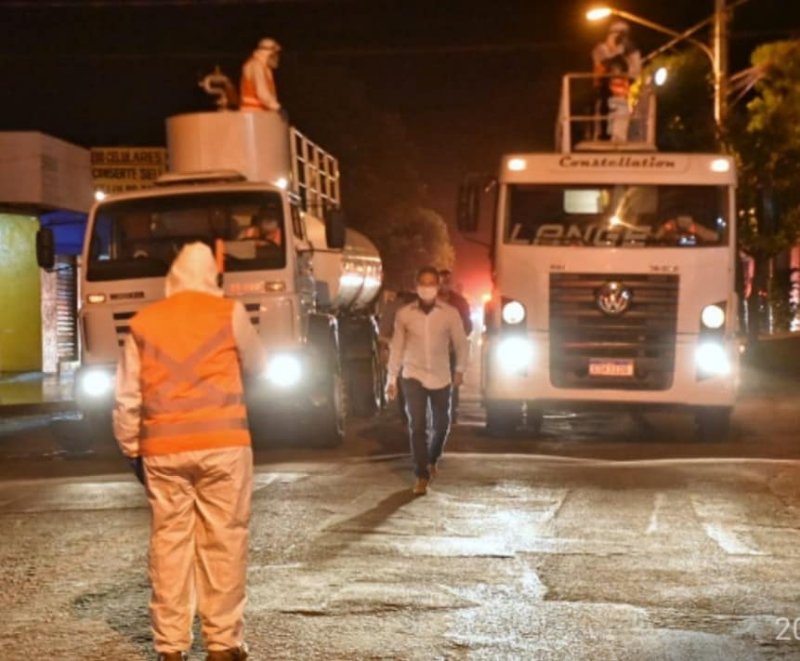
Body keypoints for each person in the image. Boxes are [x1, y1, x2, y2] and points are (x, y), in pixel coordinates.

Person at [113, 242, 265, 661]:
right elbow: (259, 364)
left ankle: (170, 646)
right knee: (224, 541)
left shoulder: (145, 321)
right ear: (211, 276)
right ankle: (222, 643)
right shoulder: (229, 313)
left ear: (173, 277)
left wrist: (131, 447)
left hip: (163, 451)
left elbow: (127, 395)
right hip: (224, 447)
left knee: (169, 545)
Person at [385, 266, 469, 496]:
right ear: (416, 286)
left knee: (442, 424)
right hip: (413, 375)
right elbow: (397, 347)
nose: (427, 287)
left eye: (431, 283)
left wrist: (460, 370)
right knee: (417, 425)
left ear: (437, 286)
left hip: (441, 375)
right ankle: (421, 474)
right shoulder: (404, 314)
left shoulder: (450, 313)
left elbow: (461, 343)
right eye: (423, 283)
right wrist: (391, 378)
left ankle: (432, 458)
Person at [591, 20, 641, 141]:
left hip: (622, 92)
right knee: (605, 113)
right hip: (605, 90)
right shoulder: (601, 48)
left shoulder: (630, 51)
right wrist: (617, 51)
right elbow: (602, 63)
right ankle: (604, 136)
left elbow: (635, 71)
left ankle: (617, 137)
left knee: (621, 115)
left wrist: (630, 52)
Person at [437, 269, 472, 423]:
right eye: (442, 281)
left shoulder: (459, 302)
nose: (444, 284)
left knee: (452, 382)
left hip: (451, 350)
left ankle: (450, 413)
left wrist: (457, 340)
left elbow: (467, 325)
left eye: (447, 281)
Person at [239, 38, 282, 112]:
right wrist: (277, 108)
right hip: (253, 112)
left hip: (261, 113)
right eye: (275, 54)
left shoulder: (265, 68)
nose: (277, 57)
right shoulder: (255, 65)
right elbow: (261, 91)